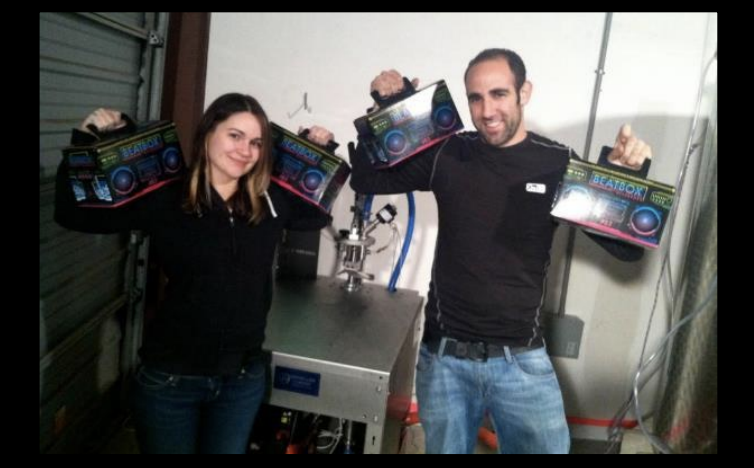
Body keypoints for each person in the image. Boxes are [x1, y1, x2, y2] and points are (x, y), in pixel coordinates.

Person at [349, 49, 653, 454]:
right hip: (444, 361)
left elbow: (627, 249)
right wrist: (384, 112)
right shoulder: (447, 153)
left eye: (499, 94)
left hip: (521, 364)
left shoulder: (556, 163)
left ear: (524, 92)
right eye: (475, 98)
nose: (486, 110)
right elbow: (367, 180)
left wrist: (626, 178)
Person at [55, 93, 335, 454]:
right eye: (235, 136)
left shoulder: (270, 200)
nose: (245, 151)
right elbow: (76, 215)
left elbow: (316, 215)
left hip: (241, 379)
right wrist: (83, 144)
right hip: (172, 380)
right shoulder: (167, 198)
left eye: (256, 143)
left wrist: (317, 152)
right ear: (207, 135)